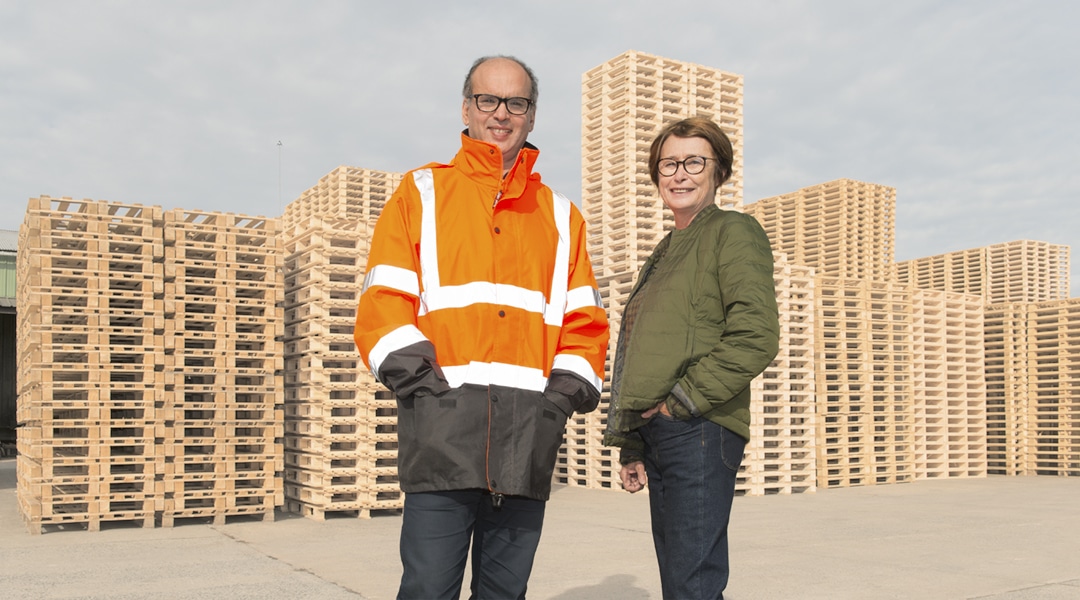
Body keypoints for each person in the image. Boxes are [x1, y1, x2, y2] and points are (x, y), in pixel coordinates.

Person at [354, 55, 609, 600]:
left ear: (532, 115)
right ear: (466, 108)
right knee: (427, 588)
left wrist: (555, 407)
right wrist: (427, 396)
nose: (501, 113)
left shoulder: (562, 217)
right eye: (488, 100)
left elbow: (585, 325)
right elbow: (383, 307)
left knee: (504, 594)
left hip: (526, 443)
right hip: (442, 440)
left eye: (515, 102)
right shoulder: (420, 194)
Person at [603, 116, 780, 599]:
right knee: (680, 579)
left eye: (693, 162)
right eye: (668, 164)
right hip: (663, 431)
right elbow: (646, 353)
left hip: (698, 428)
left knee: (692, 581)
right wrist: (635, 444)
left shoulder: (732, 232)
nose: (679, 174)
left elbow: (756, 335)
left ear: (718, 170)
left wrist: (679, 404)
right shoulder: (664, 251)